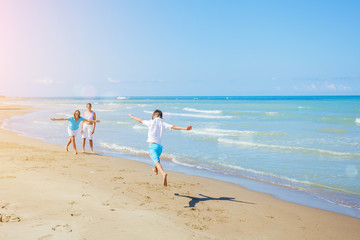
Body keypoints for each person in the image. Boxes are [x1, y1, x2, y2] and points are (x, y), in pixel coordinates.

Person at [129, 109, 192, 187]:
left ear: (153, 116)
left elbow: (140, 120)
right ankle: (155, 170)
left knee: (156, 161)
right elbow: (174, 127)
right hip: (159, 148)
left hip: (152, 147)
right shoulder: (163, 123)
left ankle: (163, 173)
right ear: (161, 117)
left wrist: (133, 117)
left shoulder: (151, 122)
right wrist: (185, 129)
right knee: (156, 159)